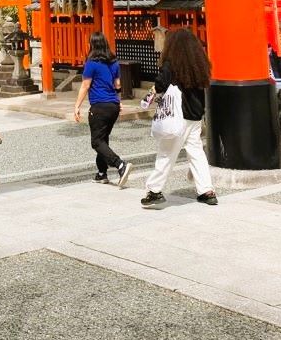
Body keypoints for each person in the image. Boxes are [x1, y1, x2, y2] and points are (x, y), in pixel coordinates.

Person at [141, 30, 218, 208]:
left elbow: (160, 83)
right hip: (195, 115)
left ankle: (154, 190)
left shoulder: (171, 64)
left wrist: (152, 94)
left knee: (167, 152)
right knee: (196, 152)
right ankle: (207, 191)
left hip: (177, 115)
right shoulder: (199, 64)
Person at [73, 32, 132, 188]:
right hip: (112, 106)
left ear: (92, 45)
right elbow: (118, 85)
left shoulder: (91, 64)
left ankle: (120, 165)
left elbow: (85, 85)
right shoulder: (114, 63)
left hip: (99, 106)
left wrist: (77, 106)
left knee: (97, 142)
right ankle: (101, 173)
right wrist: (119, 103)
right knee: (103, 139)